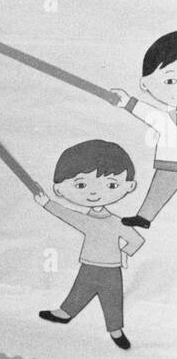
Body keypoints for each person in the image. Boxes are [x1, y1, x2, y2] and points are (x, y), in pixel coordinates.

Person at [34, 139, 144, 348]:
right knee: (80, 290)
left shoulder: (116, 222)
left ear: (129, 186)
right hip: (89, 265)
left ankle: (115, 330)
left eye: (111, 184)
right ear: (59, 189)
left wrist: (123, 254)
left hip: (111, 269)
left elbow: (136, 240)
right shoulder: (87, 220)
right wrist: (46, 203)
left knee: (112, 298)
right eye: (81, 185)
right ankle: (65, 312)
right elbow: (68, 215)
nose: (93, 193)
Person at [112, 30, 177, 228]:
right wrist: (127, 102)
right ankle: (144, 217)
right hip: (171, 162)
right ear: (145, 84)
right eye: (170, 81)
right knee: (160, 188)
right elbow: (150, 114)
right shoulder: (166, 118)